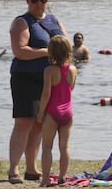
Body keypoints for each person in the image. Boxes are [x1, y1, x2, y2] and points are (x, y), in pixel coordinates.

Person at [8, 0, 68, 184]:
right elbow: (20, 51)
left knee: (40, 124)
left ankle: (32, 169)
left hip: (50, 79)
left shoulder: (53, 20)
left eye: (43, 0)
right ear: (27, 1)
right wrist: (46, 52)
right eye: (34, 0)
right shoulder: (22, 22)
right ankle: (14, 169)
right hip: (25, 77)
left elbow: (65, 47)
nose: (39, 4)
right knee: (24, 122)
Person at [37, 35, 77, 187]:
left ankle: (46, 179)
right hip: (68, 111)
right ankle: (62, 177)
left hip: (52, 112)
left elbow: (46, 94)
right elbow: (71, 88)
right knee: (64, 146)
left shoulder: (49, 71)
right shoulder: (73, 69)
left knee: (47, 146)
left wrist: (41, 112)